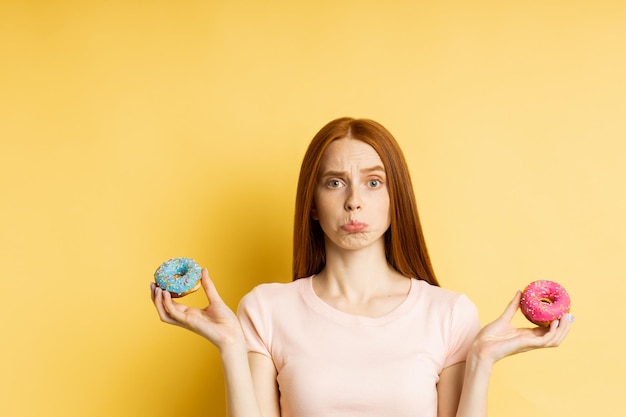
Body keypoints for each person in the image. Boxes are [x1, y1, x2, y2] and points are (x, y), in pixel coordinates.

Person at [150, 117, 573, 417]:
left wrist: (481, 359)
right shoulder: (265, 309)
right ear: (313, 203)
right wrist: (230, 348)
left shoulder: (448, 313)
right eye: (335, 182)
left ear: (396, 199)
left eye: (374, 182)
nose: (354, 200)